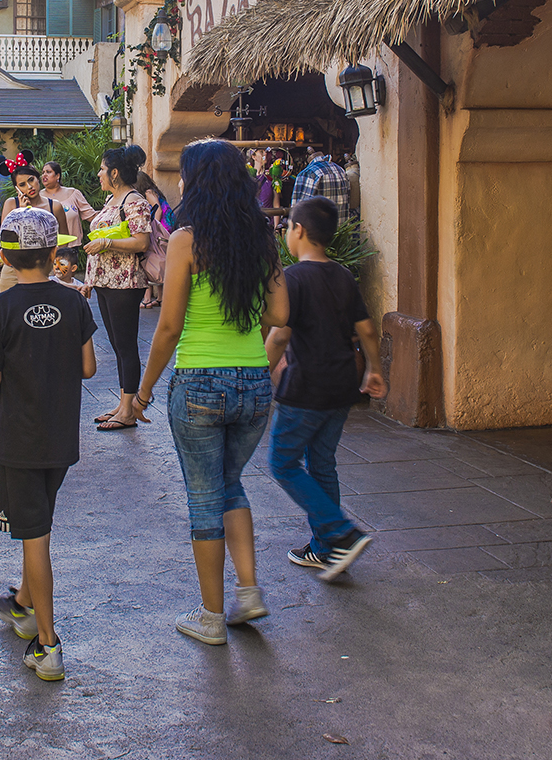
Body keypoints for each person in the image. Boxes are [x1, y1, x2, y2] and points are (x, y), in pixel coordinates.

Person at [128, 138, 288, 647]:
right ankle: (247, 591)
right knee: (230, 485)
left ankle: (212, 616)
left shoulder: (186, 240)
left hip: (199, 382)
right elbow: (280, 315)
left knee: (203, 498)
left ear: (196, 181)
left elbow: (170, 325)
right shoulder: (260, 239)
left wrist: (143, 391)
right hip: (254, 382)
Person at [0, 206, 97, 683]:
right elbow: (88, 369)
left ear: (6, 254)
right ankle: (23, 602)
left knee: (35, 539)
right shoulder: (74, 302)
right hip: (60, 434)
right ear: (52, 253)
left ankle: (48, 643)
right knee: (39, 519)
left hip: (18, 436)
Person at [266, 197, 386, 580]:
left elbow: (280, 336)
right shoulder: (341, 276)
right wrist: (373, 369)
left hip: (306, 388)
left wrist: (260, 374)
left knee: (282, 463)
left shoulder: (294, 278)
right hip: (341, 386)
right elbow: (366, 328)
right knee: (322, 463)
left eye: (287, 227)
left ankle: (340, 533)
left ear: (298, 231)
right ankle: (325, 549)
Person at [84, 146, 152, 430]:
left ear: (114, 172)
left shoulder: (134, 201)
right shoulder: (113, 199)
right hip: (105, 281)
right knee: (117, 344)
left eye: (102, 169)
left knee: (125, 345)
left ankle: (129, 409)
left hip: (125, 282)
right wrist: (89, 281)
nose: (98, 173)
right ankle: (124, 403)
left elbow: (141, 242)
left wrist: (106, 243)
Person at [0, 165, 68, 294]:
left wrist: (57, 264)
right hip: (14, 267)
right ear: (17, 188)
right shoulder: (12, 204)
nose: (29, 186)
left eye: (31, 180)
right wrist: (22, 212)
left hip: (45, 265)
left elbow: (64, 239)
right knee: (11, 305)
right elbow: (5, 238)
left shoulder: (54, 206)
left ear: (38, 179)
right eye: (22, 184)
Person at [135, 171, 172, 310]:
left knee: (148, 259)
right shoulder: (153, 190)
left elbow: (157, 209)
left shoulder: (148, 192)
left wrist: (152, 228)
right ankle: (161, 298)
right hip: (165, 228)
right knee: (161, 259)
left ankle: (147, 298)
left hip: (159, 228)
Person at [41, 161, 94, 242]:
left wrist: (110, 212)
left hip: (72, 248)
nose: (44, 175)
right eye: (43, 172)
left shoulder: (73, 193)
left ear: (57, 176)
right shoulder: (38, 197)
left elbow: (91, 216)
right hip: (47, 249)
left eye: (48, 172)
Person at [291, 147, 351, 216]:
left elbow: (299, 212)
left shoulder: (309, 173)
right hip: (343, 225)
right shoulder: (340, 170)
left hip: (320, 226)